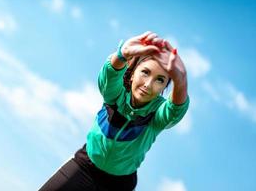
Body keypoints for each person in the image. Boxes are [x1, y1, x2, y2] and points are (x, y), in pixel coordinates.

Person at [39, 31, 189, 191]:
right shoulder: (116, 93)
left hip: (118, 185)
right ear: (132, 74)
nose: (148, 84)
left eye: (160, 80)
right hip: (84, 166)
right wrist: (122, 55)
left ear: (163, 88)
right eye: (145, 72)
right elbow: (110, 75)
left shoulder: (157, 114)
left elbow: (175, 110)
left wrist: (181, 80)